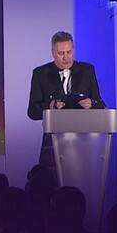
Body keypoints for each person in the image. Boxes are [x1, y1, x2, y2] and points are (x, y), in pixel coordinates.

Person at [28, 31, 105, 167]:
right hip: (53, 140)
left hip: (83, 139)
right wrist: (50, 106)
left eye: (69, 52)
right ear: (53, 53)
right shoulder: (40, 73)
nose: (66, 58)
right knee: (50, 178)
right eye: (61, 53)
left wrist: (91, 104)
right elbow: (32, 111)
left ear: (73, 50)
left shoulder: (87, 71)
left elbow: (100, 104)